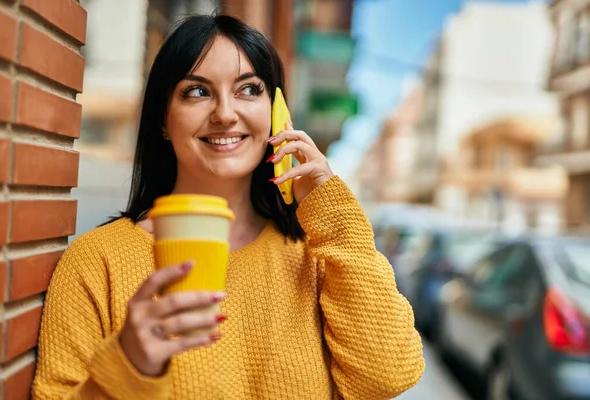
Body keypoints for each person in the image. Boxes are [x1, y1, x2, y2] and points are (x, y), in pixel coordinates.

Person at [32, 14, 424, 400]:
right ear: (164, 120)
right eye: (197, 91)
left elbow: (387, 376)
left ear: (276, 113)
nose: (224, 113)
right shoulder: (96, 262)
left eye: (249, 90)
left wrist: (331, 210)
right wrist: (128, 368)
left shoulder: (318, 255)